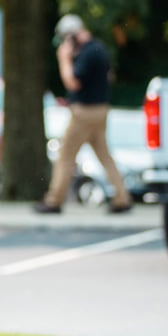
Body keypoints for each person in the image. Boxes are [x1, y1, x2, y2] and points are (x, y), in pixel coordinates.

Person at [35, 14, 132, 214]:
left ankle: (54, 200)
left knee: (65, 156)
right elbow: (109, 77)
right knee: (105, 156)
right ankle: (122, 197)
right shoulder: (100, 49)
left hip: (84, 112)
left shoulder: (86, 53)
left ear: (71, 36)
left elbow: (72, 82)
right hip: (101, 109)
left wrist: (64, 59)